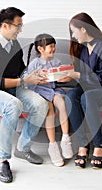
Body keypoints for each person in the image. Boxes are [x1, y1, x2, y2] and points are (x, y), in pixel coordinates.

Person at [0, 7, 49, 183]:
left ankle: (23, 148)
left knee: (42, 104)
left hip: (12, 89)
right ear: (6, 26)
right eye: (18, 26)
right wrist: (26, 81)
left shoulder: (15, 44)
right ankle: (1, 159)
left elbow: (20, 70)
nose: (20, 30)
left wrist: (33, 75)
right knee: (12, 105)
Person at [59, 12, 102, 169]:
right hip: (86, 87)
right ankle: (83, 144)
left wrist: (76, 74)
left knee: (87, 98)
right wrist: (68, 76)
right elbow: (81, 74)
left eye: (74, 30)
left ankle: (98, 145)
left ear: (83, 29)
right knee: (70, 96)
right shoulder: (83, 49)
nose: (72, 35)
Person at [25, 33, 73, 167]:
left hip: (53, 91)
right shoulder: (35, 64)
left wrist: (66, 77)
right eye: (50, 47)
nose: (53, 49)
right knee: (50, 110)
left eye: (54, 46)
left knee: (62, 103)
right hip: (40, 92)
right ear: (41, 49)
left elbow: (63, 78)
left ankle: (65, 139)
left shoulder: (56, 62)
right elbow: (29, 84)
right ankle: (53, 146)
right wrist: (42, 80)